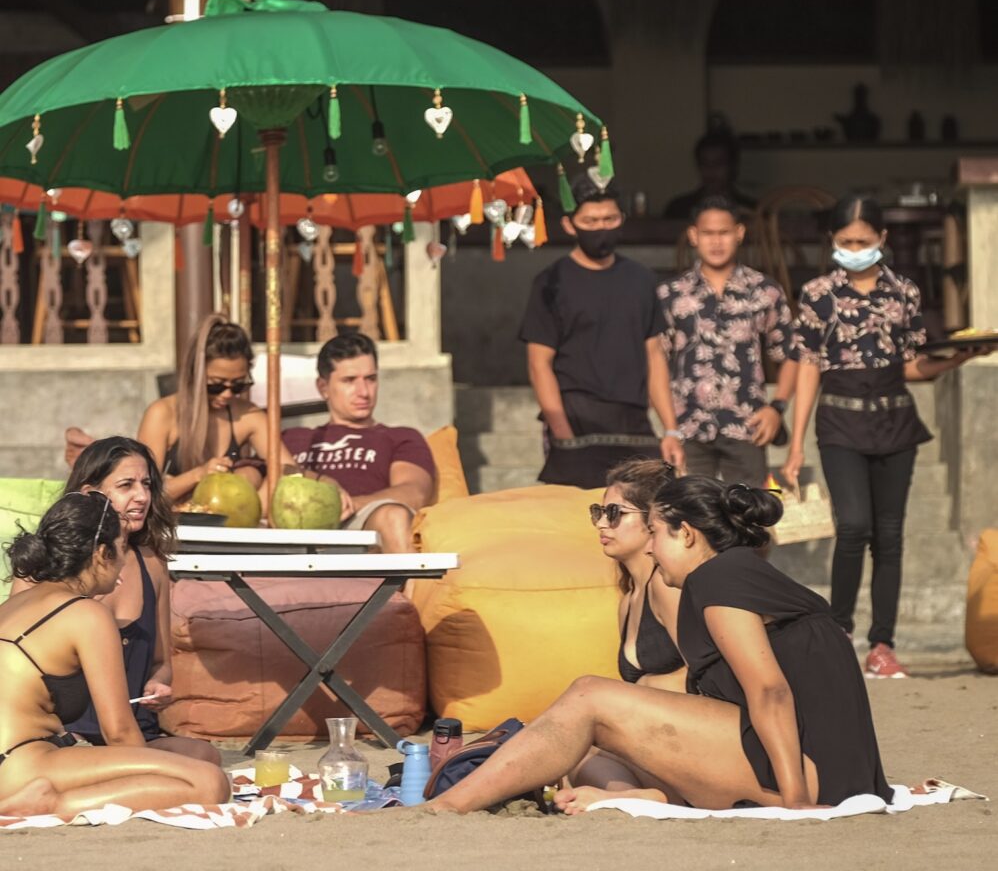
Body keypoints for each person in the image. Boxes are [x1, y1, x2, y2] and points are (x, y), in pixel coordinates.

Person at [425, 476, 893, 815]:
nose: (649, 549)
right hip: (828, 767)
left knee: (590, 695)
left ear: (686, 534)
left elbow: (770, 692)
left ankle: (447, 806)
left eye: (654, 533)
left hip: (815, 775)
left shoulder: (719, 578)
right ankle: (465, 798)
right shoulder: (733, 572)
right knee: (587, 735)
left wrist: (797, 803)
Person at [782, 193, 982, 679]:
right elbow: (808, 365)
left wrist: (955, 357)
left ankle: (883, 643)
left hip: (894, 421)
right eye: (845, 241)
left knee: (889, 536)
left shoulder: (904, 292)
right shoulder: (817, 294)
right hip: (840, 422)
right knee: (853, 526)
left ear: (882, 240)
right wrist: (793, 443)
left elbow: (913, 364)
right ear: (832, 241)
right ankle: (838, 630)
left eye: (863, 241)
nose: (854, 248)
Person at [0, 493, 229, 819]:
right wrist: (151, 776)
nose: (123, 566)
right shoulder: (86, 613)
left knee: (197, 757)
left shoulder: (15, 604)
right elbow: (120, 732)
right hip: (19, 764)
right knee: (208, 783)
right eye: (122, 551)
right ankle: (52, 804)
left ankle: (48, 795)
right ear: (100, 554)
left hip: (19, 759)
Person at [13, 437, 219, 765]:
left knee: (203, 756)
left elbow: (161, 661)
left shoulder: (152, 562)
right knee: (197, 778)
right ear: (88, 494)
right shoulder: (47, 565)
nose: (141, 496)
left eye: (147, 484)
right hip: (64, 735)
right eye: (126, 485)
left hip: (133, 730)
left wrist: (157, 684)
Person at [520, 171, 684, 489]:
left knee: (645, 513)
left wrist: (670, 429)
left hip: (633, 418)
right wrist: (562, 433)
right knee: (579, 519)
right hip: (575, 415)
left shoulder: (641, 280)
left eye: (609, 219)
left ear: (621, 219)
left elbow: (654, 355)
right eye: (591, 221)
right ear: (570, 224)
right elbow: (538, 363)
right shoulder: (551, 283)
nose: (601, 228)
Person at [657, 196, 797, 486]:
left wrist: (777, 408)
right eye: (708, 233)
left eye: (724, 232)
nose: (716, 242)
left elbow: (792, 353)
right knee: (693, 520)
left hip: (747, 425)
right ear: (693, 235)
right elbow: (655, 362)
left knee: (751, 519)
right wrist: (669, 428)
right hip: (689, 428)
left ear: (739, 233)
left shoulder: (764, 290)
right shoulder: (671, 294)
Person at [573, 458, 684, 792]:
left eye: (616, 514)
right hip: (656, 737)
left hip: (693, 739)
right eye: (598, 512)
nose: (601, 525)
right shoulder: (628, 601)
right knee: (574, 756)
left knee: (579, 748)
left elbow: (708, 677)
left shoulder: (666, 588)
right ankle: (635, 800)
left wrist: (643, 688)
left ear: (654, 520)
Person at [283, 332, 434, 553]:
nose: (364, 392)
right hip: (294, 526)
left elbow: (414, 493)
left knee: (394, 516)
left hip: (361, 524)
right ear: (323, 387)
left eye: (371, 379)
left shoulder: (400, 437)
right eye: (349, 381)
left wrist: (345, 505)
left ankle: (406, 588)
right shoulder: (292, 439)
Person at [137, 313, 298, 505]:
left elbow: (290, 472)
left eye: (238, 385)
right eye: (216, 385)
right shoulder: (162, 413)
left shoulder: (248, 415)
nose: (227, 394)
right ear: (194, 374)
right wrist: (198, 475)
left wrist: (254, 486)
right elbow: (142, 492)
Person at [662, 128, 757, 220]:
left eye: (719, 163)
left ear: (732, 166)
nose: (711, 169)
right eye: (705, 163)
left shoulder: (751, 211)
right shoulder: (678, 209)